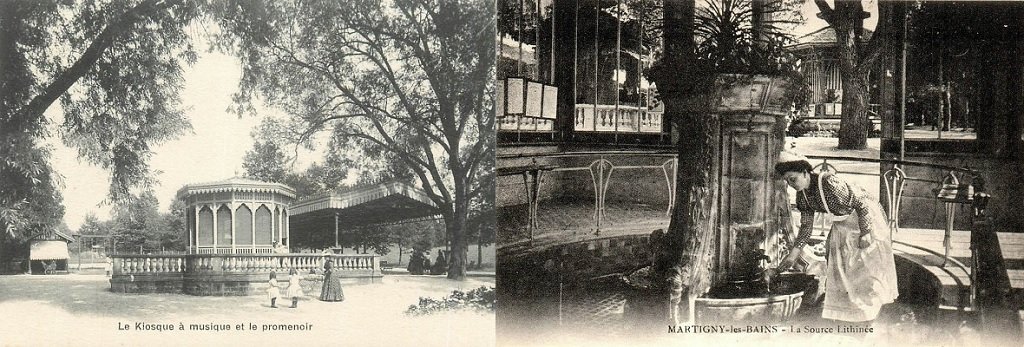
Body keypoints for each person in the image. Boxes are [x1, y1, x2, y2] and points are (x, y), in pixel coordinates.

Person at [766, 150, 898, 323]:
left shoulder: (829, 183)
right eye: (788, 182)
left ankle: (870, 311)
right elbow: (806, 228)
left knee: (868, 264)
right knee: (839, 264)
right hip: (842, 222)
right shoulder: (803, 196)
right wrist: (793, 255)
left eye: (793, 179)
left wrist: (865, 232)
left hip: (866, 218)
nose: (791, 185)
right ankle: (849, 312)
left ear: (805, 173)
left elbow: (862, 205)